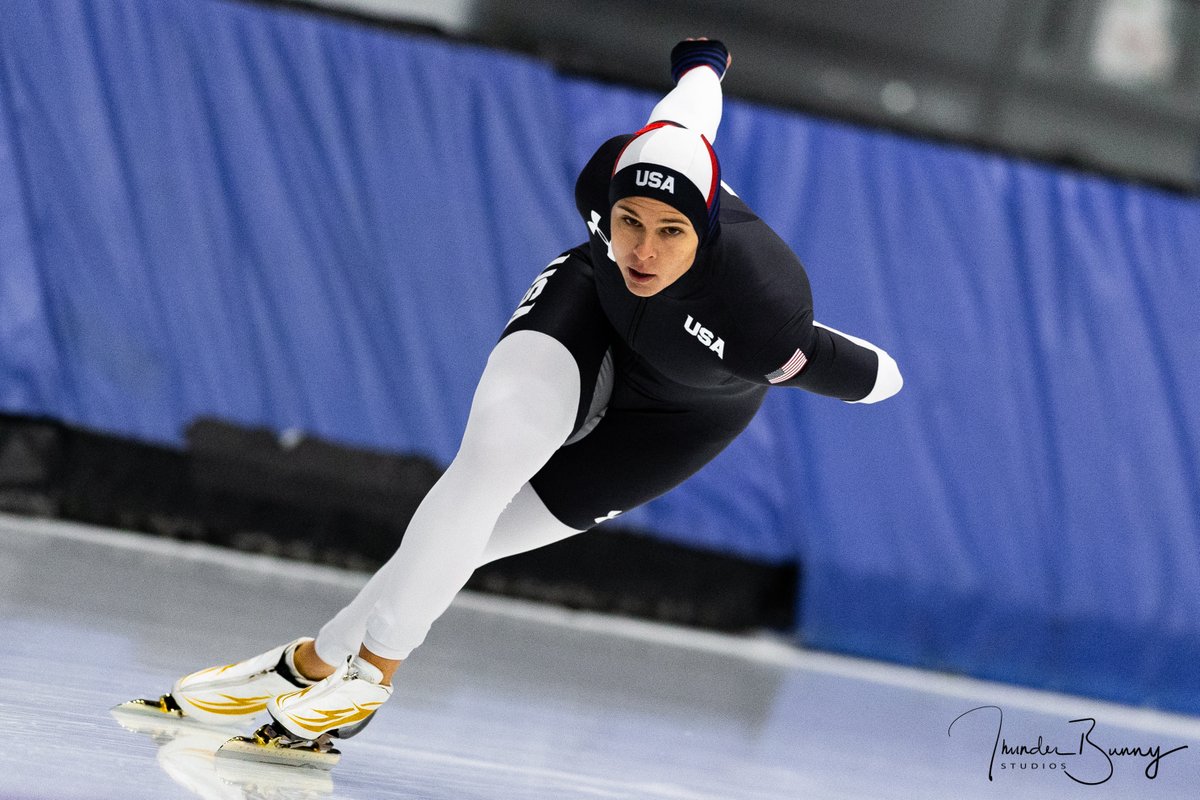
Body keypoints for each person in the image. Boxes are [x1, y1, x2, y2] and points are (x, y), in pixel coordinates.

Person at [120, 38, 901, 766]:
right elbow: (684, 113)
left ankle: (311, 663)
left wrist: (849, 363)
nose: (643, 250)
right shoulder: (604, 178)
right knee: (487, 464)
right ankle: (362, 682)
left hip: (683, 414)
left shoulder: (763, 315)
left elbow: (874, 376)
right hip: (589, 313)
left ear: (708, 234)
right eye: (628, 222)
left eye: (670, 232)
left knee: (478, 540)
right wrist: (705, 63)